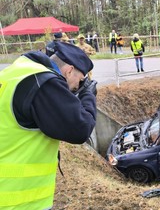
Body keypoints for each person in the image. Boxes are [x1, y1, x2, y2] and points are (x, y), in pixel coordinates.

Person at [0, 42, 97, 209]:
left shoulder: (16, 73)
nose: (75, 88)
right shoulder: (43, 82)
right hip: (19, 200)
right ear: (69, 70)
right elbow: (80, 129)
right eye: (79, 82)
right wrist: (88, 95)